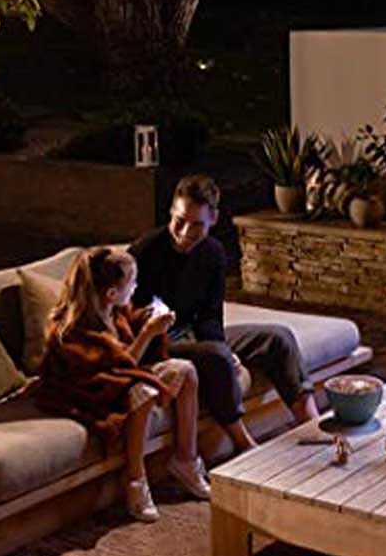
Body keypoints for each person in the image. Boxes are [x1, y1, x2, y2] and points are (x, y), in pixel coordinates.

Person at [130, 175, 318, 453]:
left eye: (196, 225)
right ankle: (245, 446)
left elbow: (210, 316)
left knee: (278, 338)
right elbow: (129, 319)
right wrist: (218, 351)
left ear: (214, 219)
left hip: (192, 336)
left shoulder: (213, 253)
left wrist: (219, 343)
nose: (183, 233)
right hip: (155, 345)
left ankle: (312, 425)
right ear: (171, 212)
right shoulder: (145, 252)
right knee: (216, 357)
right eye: (179, 221)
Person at [36, 247, 210, 523]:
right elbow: (115, 367)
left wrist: (150, 319)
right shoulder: (70, 330)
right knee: (144, 392)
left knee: (185, 370)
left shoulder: (112, 311)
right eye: (132, 283)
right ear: (111, 294)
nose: (136, 287)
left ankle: (185, 460)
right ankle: (135, 481)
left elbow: (126, 349)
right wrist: (148, 333)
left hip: (120, 378)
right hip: (90, 389)